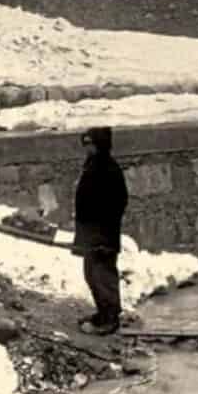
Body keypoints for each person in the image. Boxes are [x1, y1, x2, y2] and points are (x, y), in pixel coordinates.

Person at [73, 127, 129, 335]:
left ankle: (109, 319)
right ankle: (103, 312)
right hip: (91, 234)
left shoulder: (108, 169)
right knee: (91, 274)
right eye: (85, 143)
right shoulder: (93, 165)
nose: (87, 147)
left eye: (90, 143)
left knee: (102, 276)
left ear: (100, 145)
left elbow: (117, 203)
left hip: (102, 236)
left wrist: (102, 235)